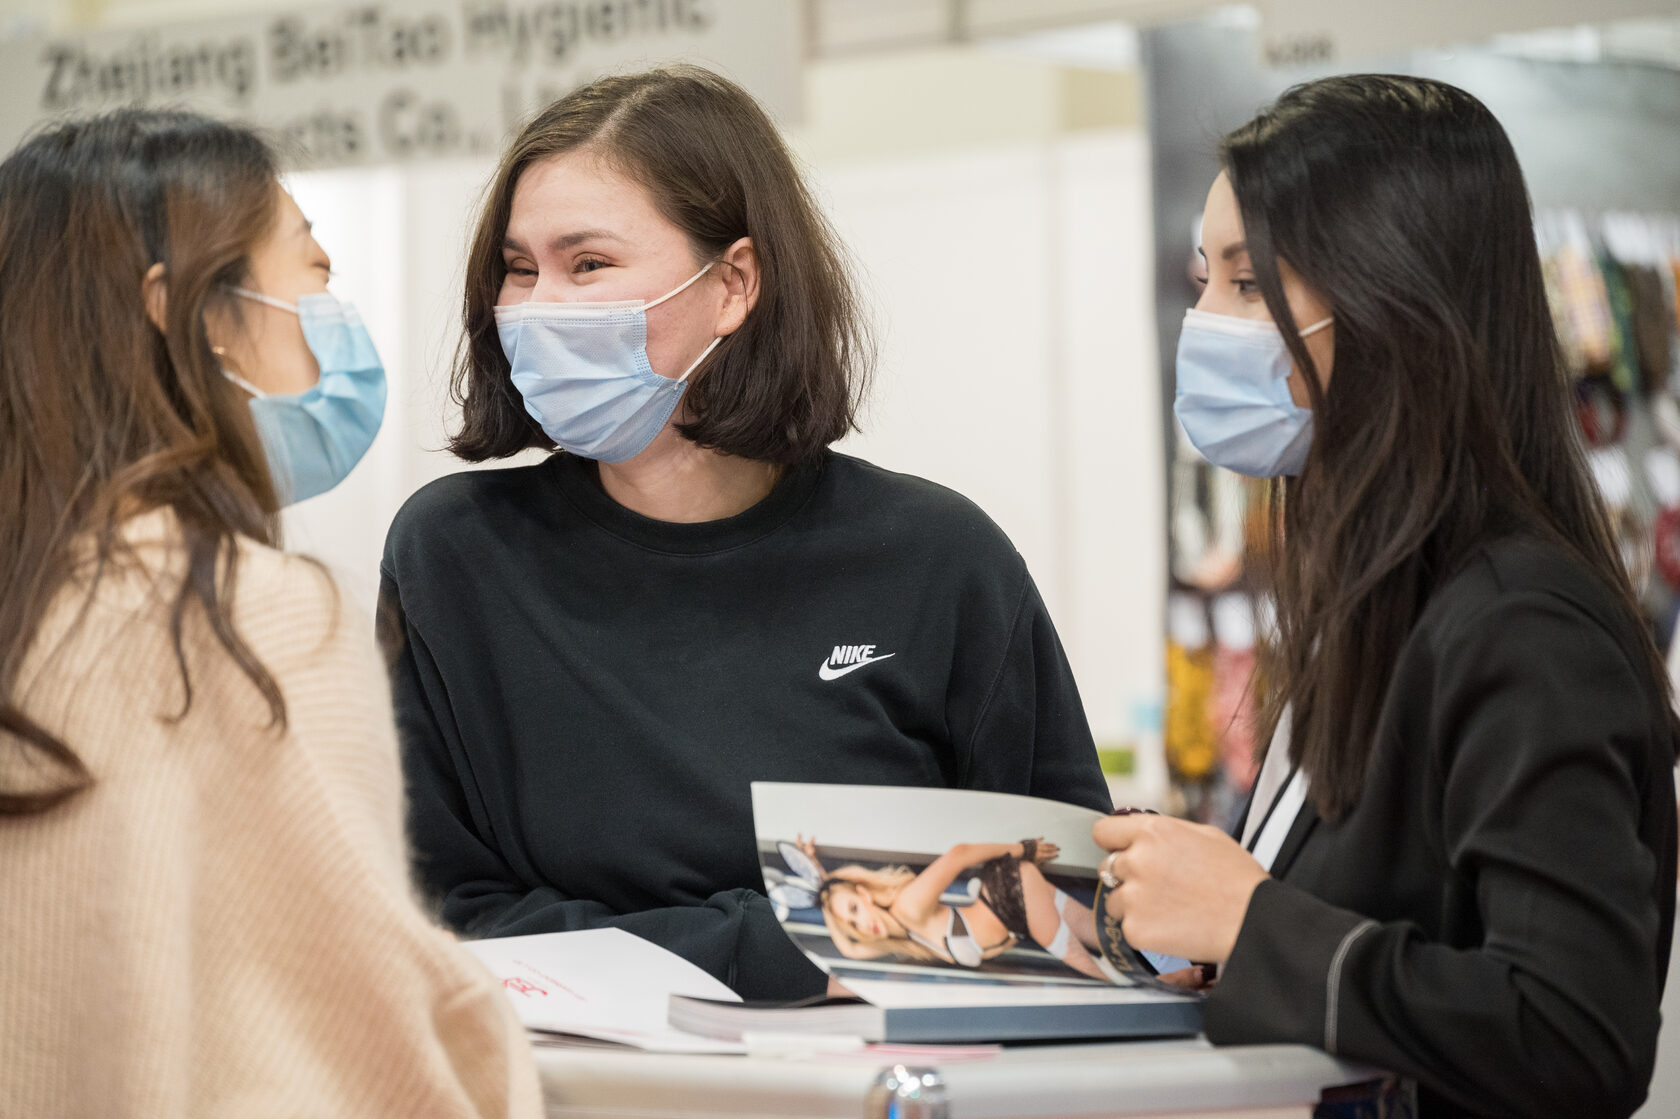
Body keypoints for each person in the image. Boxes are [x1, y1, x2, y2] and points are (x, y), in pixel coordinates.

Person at [379, 65, 1110, 1004]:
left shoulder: (939, 558)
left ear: (733, 283)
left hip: (875, 1076)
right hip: (574, 1075)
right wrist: (789, 951)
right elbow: (438, 916)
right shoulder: (455, 554)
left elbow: (1064, 898)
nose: (537, 306)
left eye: (587, 264)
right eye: (519, 269)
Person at [1092, 75, 1679, 1118]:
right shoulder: (1380, 607)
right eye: (1204, 279)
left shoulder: (1521, 627)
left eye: (1248, 283)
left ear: (1389, 302)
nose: (1207, 321)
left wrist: (1253, 922)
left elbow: (1575, 1033)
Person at [0, 110, 541, 1118]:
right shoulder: (251, 617)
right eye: (315, 274)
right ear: (187, 311)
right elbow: (366, 1056)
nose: (336, 320)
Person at [805, 836, 1110, 980]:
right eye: (851, 925)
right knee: (1103, 937)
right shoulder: (905, 937)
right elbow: (848, 949)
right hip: (1015, 913)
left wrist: (1023, 849)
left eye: (855, 909)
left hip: (1009, 891)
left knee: (1102, 974)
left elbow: (959, 854)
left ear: (864, 893)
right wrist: (823, 884)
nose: (862, 925)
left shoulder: (908, 906)